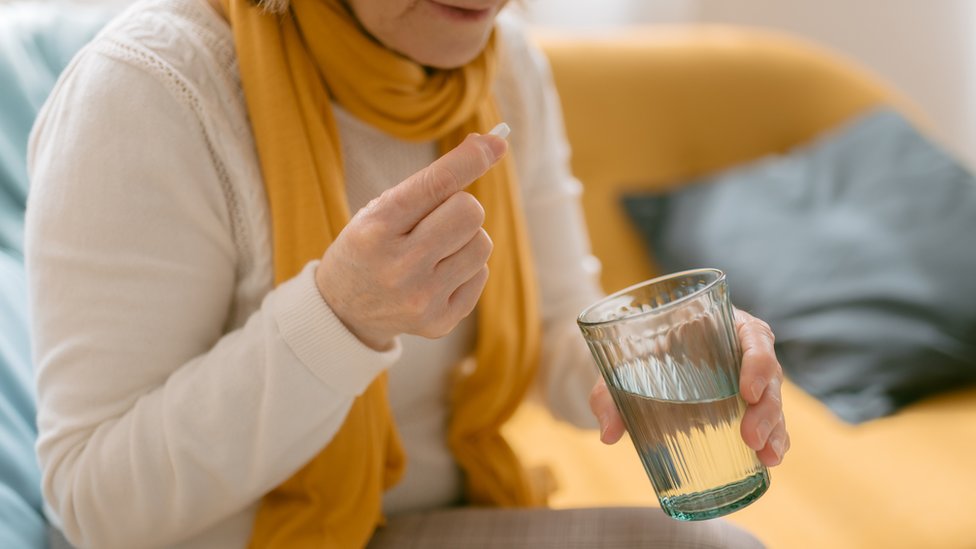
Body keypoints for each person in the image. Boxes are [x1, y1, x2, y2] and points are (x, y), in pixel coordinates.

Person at [25, 0, 790, 546]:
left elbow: (562, 325)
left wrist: (670, 358)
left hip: (423, 522)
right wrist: (339, 318)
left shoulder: (504, 65)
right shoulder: (147, 90)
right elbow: (96, 509)